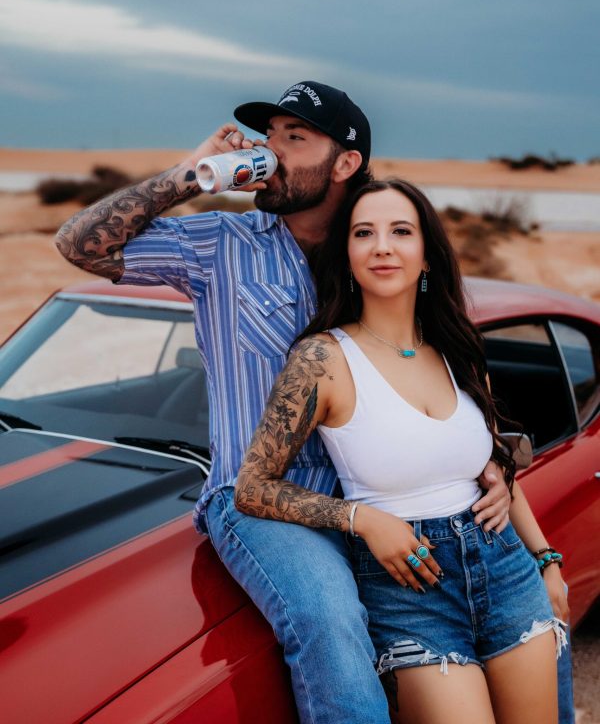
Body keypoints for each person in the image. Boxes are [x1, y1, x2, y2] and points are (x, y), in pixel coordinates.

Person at [55, 81, 515, 724]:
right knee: (330, 621)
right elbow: (79, 245)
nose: (270, 150)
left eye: (294, 138)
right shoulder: (222, 243)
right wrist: (189, 174)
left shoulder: (376, 254)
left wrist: (491, 460)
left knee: (461, 631)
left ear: (345, 163)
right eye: (269, 136)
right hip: (259, 502)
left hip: (377, 493)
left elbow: (443, 365)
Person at [235, 178, 569, 724]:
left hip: (507, 569)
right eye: (364, 233)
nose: (382, 246)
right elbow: (252, 487)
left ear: (427, 254)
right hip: (411, 588)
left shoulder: (459, 349)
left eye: (401, 231)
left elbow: (499, 474)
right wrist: (363, 519)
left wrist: (547, 561)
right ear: (347, 254)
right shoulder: (322, 359)